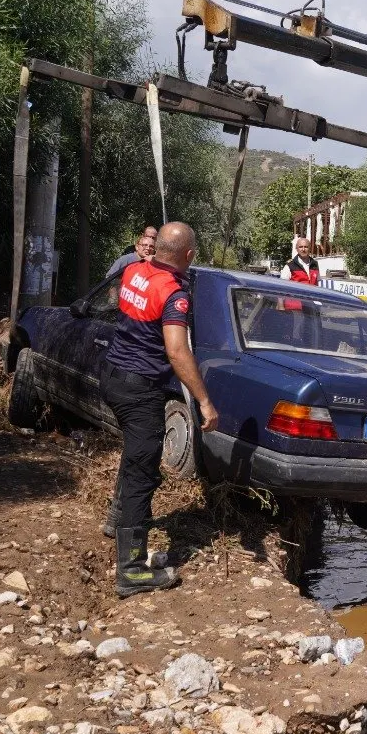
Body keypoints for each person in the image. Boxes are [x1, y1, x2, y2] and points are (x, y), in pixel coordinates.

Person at [100, 222, 219, 598]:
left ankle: (116, 522)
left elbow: (122, 305)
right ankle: (131, 570)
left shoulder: (134, 270)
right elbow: (177, 350)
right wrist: (204, 400)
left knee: (134, 453)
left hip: (112, 376)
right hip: (139, 389)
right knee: (142, 473)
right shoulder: (174, 294)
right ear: (188, 255)